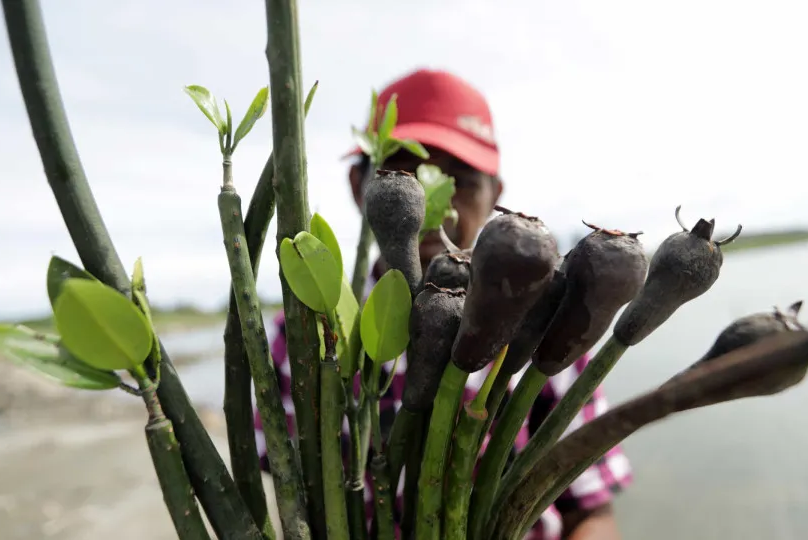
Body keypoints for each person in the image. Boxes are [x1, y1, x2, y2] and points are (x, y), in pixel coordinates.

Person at [254, 68, 631, 540]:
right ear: (360, 186)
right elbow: (289, 495)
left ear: (497, 197)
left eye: (462, 180)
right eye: (407, 172)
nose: (439, 205)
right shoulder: (298, 338)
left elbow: (590, 513)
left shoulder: (547, 327)